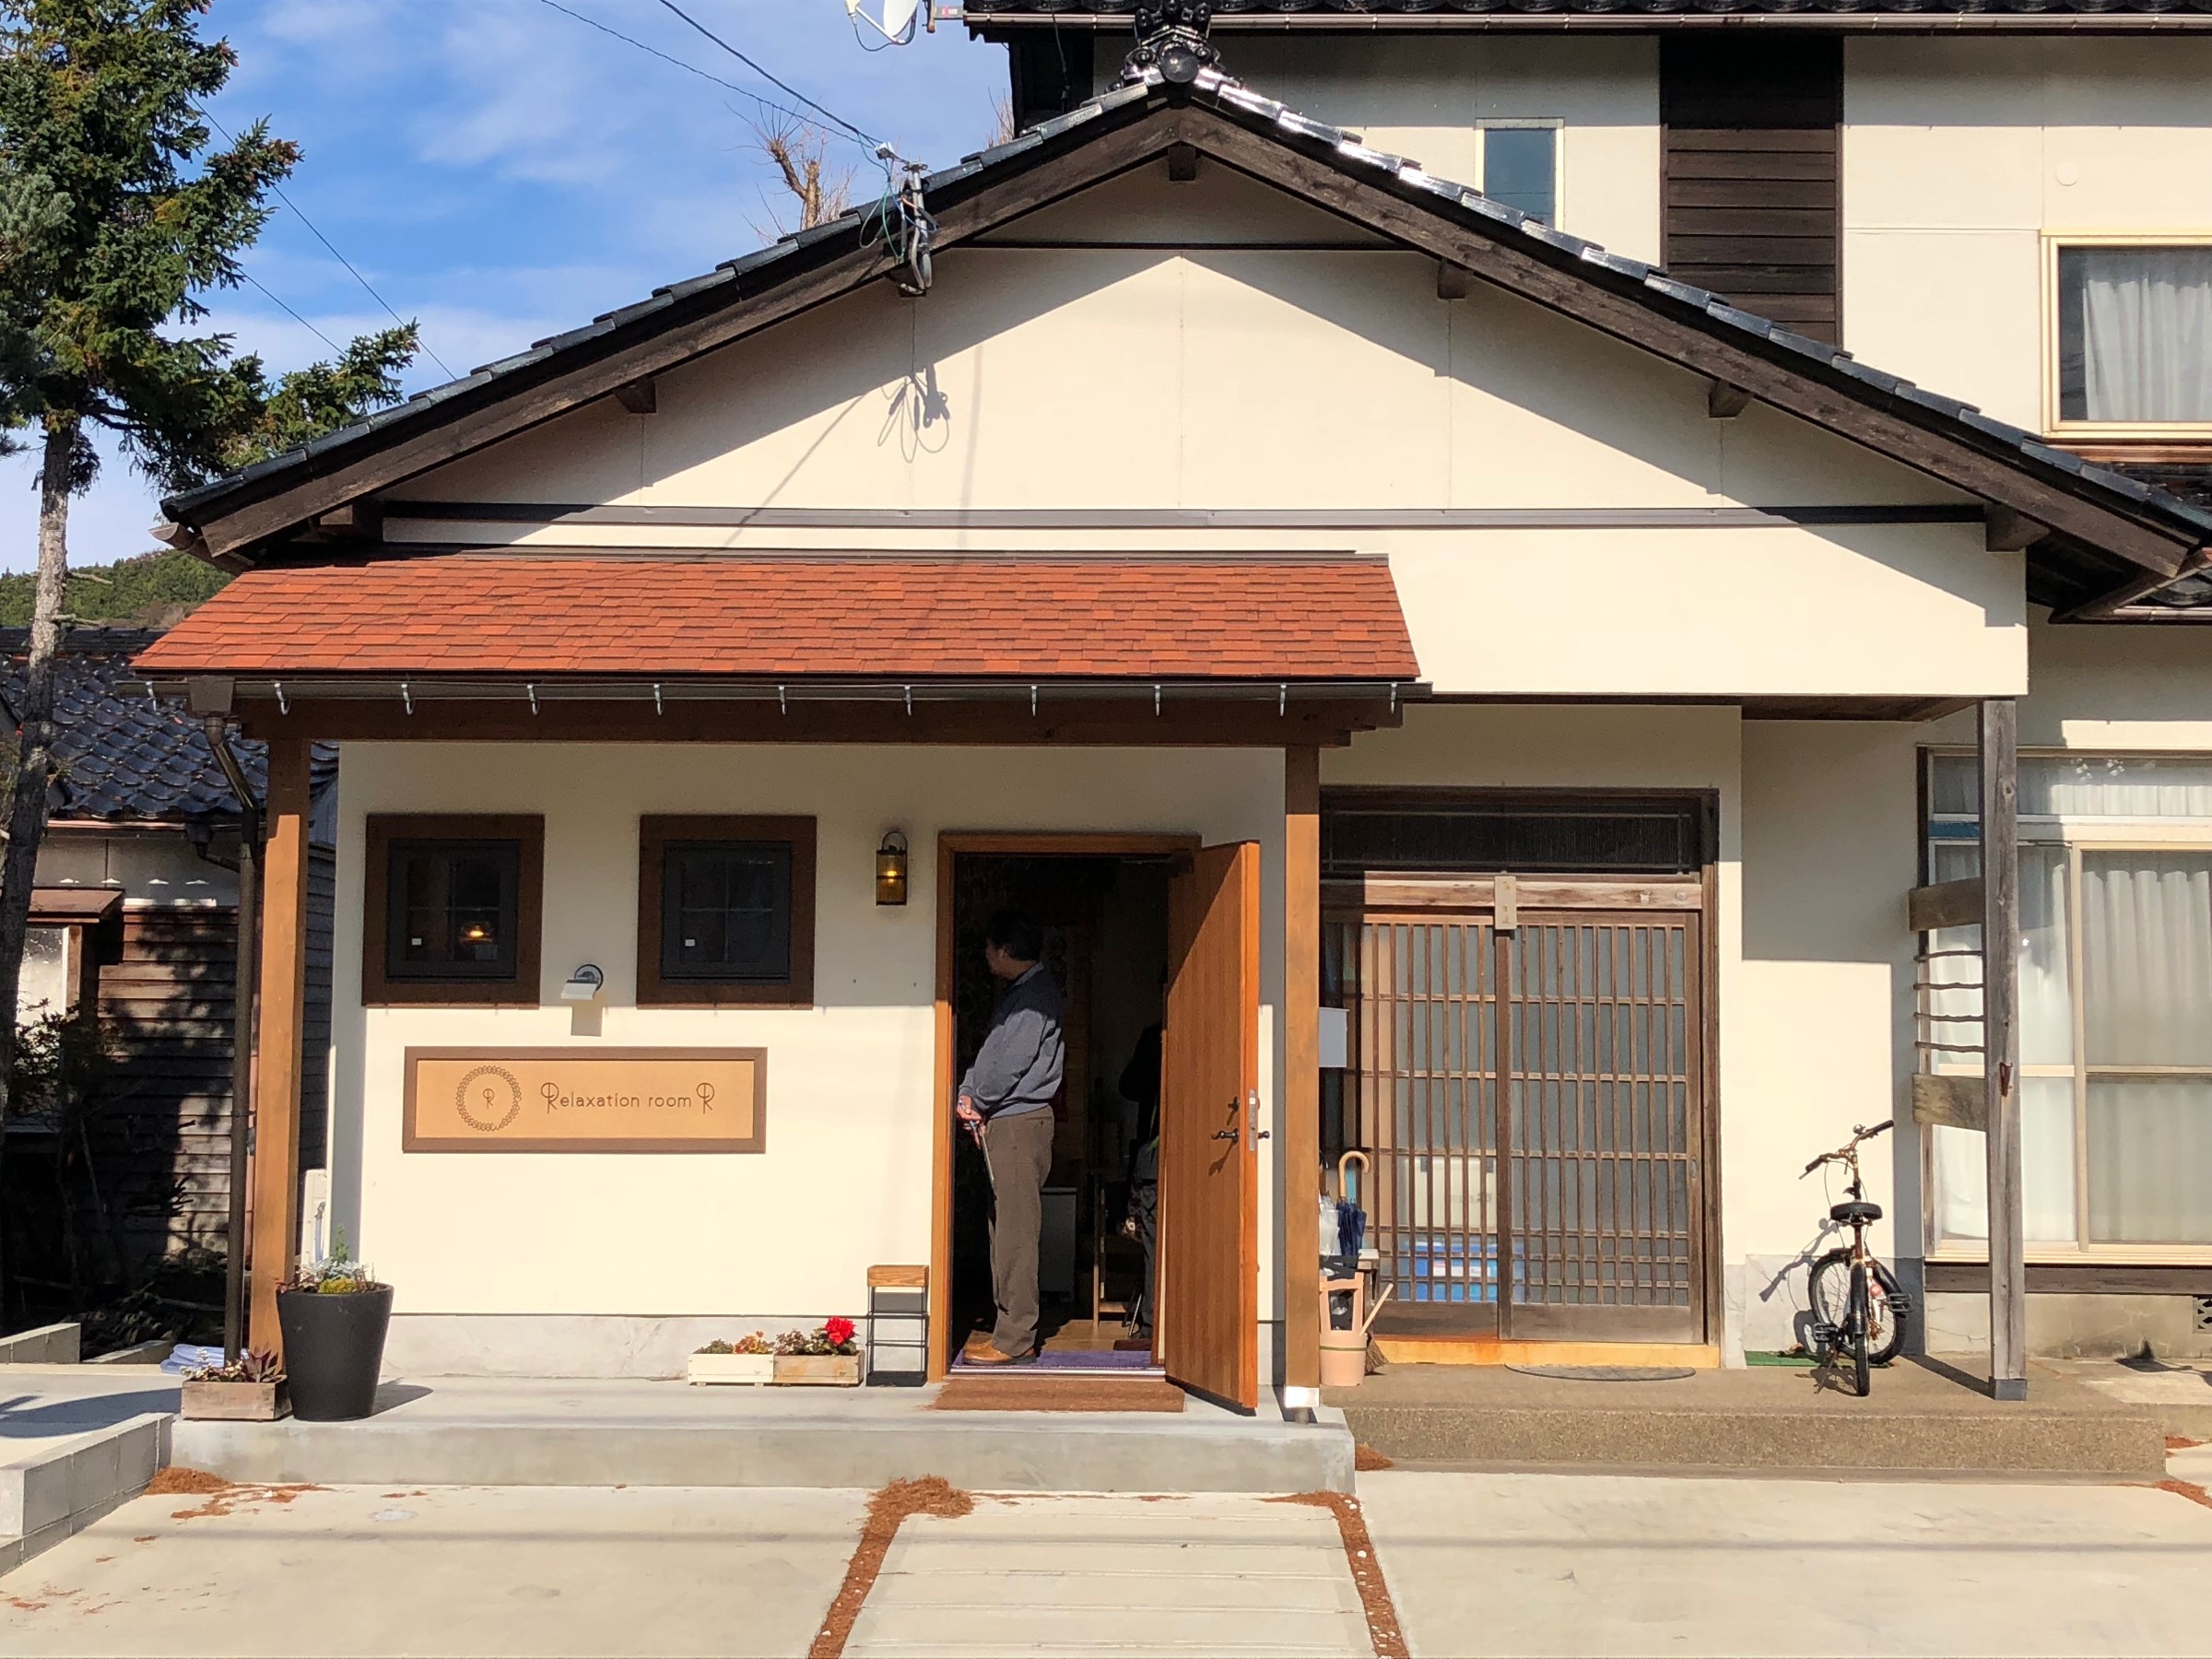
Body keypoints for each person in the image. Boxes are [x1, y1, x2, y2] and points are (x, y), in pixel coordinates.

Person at [957, 911, 1065, 1366]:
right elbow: (990, 1056)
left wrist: (976, 1097)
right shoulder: (1019, 994)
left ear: (1004, 950)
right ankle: (1009, 1328)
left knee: (1016, 1232)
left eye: (989, 948)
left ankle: (1016, 1336)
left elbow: (1008, 1064)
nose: (986, 956)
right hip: (1007, 1119)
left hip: (1019, 1122)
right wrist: (969, 1092)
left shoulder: (1033, 998)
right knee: (1003, 1228)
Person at [1116, 1022, 1163, 1350]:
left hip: (1154, 1158)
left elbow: (1130, 1085)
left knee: (1155, 1244)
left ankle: (1152, 1327)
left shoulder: (1154, 1035)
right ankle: (1158, 1325)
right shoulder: (1210, 1030)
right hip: (1176, 1158)